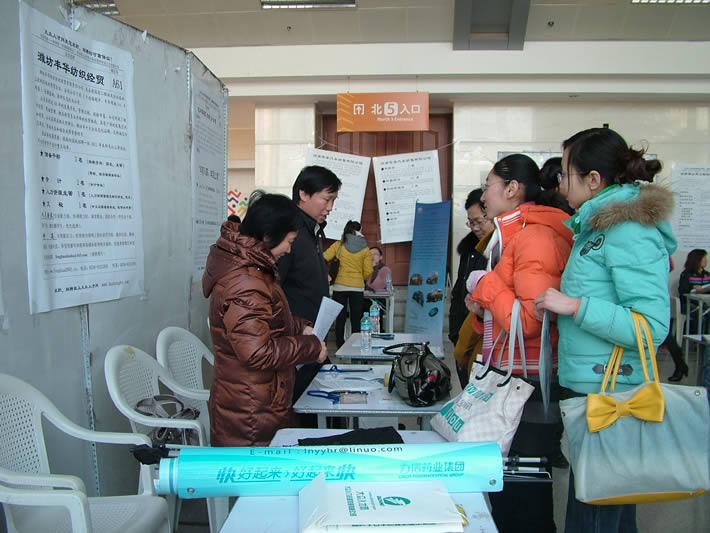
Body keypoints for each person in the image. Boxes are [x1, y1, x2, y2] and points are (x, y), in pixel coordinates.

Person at [535, 127, 676, 533]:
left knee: (597, 516)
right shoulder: (595, 228)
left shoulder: (628, 229)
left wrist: (575, 306)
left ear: (593, 179)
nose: (560, 184)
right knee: (600, 509)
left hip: (613, 394)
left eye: (565, 174)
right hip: (594, 390)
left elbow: (651, 327)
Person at [468, 153, 573, 533]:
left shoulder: (536, 237)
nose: (483, 196)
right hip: (514, 375)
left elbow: (530, 322)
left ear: (512, 188)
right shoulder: (512, 235)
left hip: (528, 383)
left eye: (489, 186)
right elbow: (508, 312)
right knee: (509, 490)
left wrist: (484, 285)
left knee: (524, 498)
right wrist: (481, 310)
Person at [202, 191, 328, 446]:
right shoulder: (246, 282)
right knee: (257, 470)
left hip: (258, 399)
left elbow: (264, 320)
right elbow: (257, 352)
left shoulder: (253, 269)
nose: (289, 249)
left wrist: (300, 327)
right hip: (250, 411)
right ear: (269, 236)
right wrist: (310, 348)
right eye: (289, 241)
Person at [278, 165, 342, 402]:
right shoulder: (289, 233)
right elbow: (273, 289)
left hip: (311, 340)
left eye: (334, 200)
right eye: (326, 199)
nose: (330, 208)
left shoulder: (311, 230)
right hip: (295, 343)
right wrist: (294, 328)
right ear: (303, 194)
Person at [449, 188, 494, 347]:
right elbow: (458, 292)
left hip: (485, 338)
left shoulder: (500, 249)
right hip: (463, 335)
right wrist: (455, 333)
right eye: (471, 222)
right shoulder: (469, 250)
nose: (475, 228)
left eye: (479, 222)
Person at [324, 221, 373, 348]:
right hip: (357, 288)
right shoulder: (364, 248)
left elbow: (323, 258)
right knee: (356, 318)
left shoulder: (339, 245)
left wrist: (327, 275)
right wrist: (360, 278)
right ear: (360, 231)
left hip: (339, 286)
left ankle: (340, 345)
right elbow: (369, 270)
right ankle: (355, 345)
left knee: (340, 317)